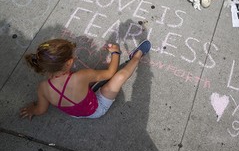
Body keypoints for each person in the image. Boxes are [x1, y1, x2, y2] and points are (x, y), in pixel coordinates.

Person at [20, 38, 151, 119]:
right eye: (73, 56)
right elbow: (110, 73)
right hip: (96, 109)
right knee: (119, 77)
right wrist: (115, 52)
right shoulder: (82, 76)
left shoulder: (43, 88)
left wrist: (33, 110)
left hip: (75, 114)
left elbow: (41, 110)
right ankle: (136, 56)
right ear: (69, 63)